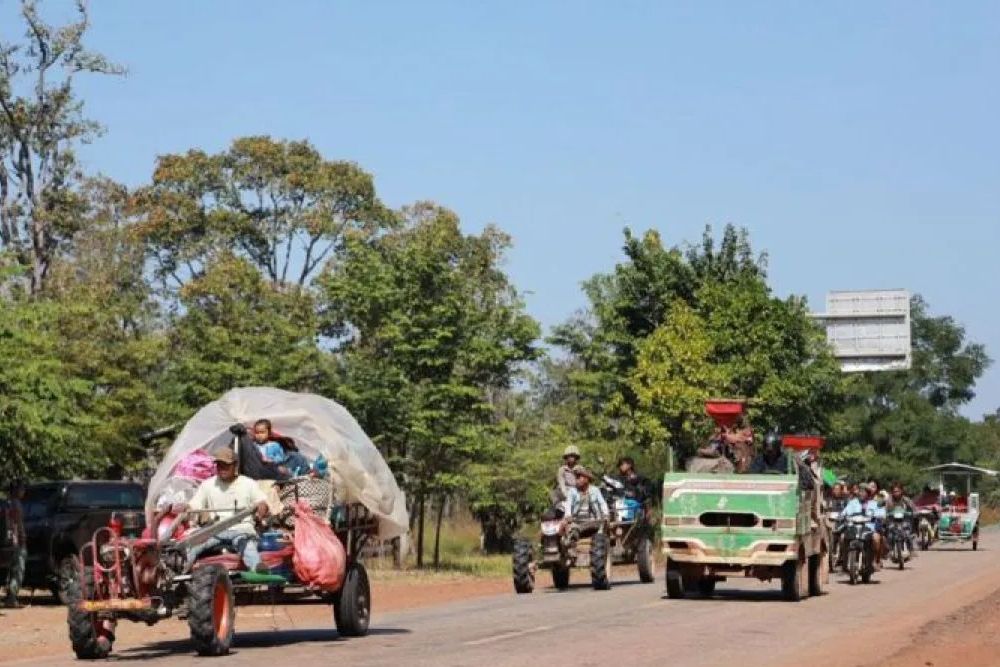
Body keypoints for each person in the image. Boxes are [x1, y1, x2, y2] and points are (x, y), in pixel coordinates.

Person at [178, 448, 270, 573]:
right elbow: (194, 505)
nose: (222, 469)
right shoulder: (207, 485)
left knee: (247, 546)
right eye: (219, 465)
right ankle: (180, 570)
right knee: (191, 546)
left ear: (235, 466)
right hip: (215, 530)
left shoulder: (248, 483)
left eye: (226, 465)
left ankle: (257, 569)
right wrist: (185, 508)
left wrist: (261, 507)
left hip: (241, 529)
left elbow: (262, 502)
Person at [843, 485, 885, 570]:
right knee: (842, 537)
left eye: (864, 492)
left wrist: (878, 516)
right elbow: (845, 512)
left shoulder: (874, 503)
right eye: (860, 491)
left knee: (876, 539)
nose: (861, 493)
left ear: (868, 494)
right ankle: (844, 561)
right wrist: (842, 516)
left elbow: (881, 513)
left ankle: (875, 560)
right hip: (854, 527)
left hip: (869, 529)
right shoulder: (852, 502)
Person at [3, 482, 25, 608]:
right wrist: (18, 539)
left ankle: (9, 597)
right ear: (16, 491)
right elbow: (15, 523)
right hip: (17, 542)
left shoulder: (8, 503)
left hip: (10, 541)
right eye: (21, 489)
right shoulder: (15, 504)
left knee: (11, 570)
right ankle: (11, 598)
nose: (23, 492)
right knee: (18, 569)